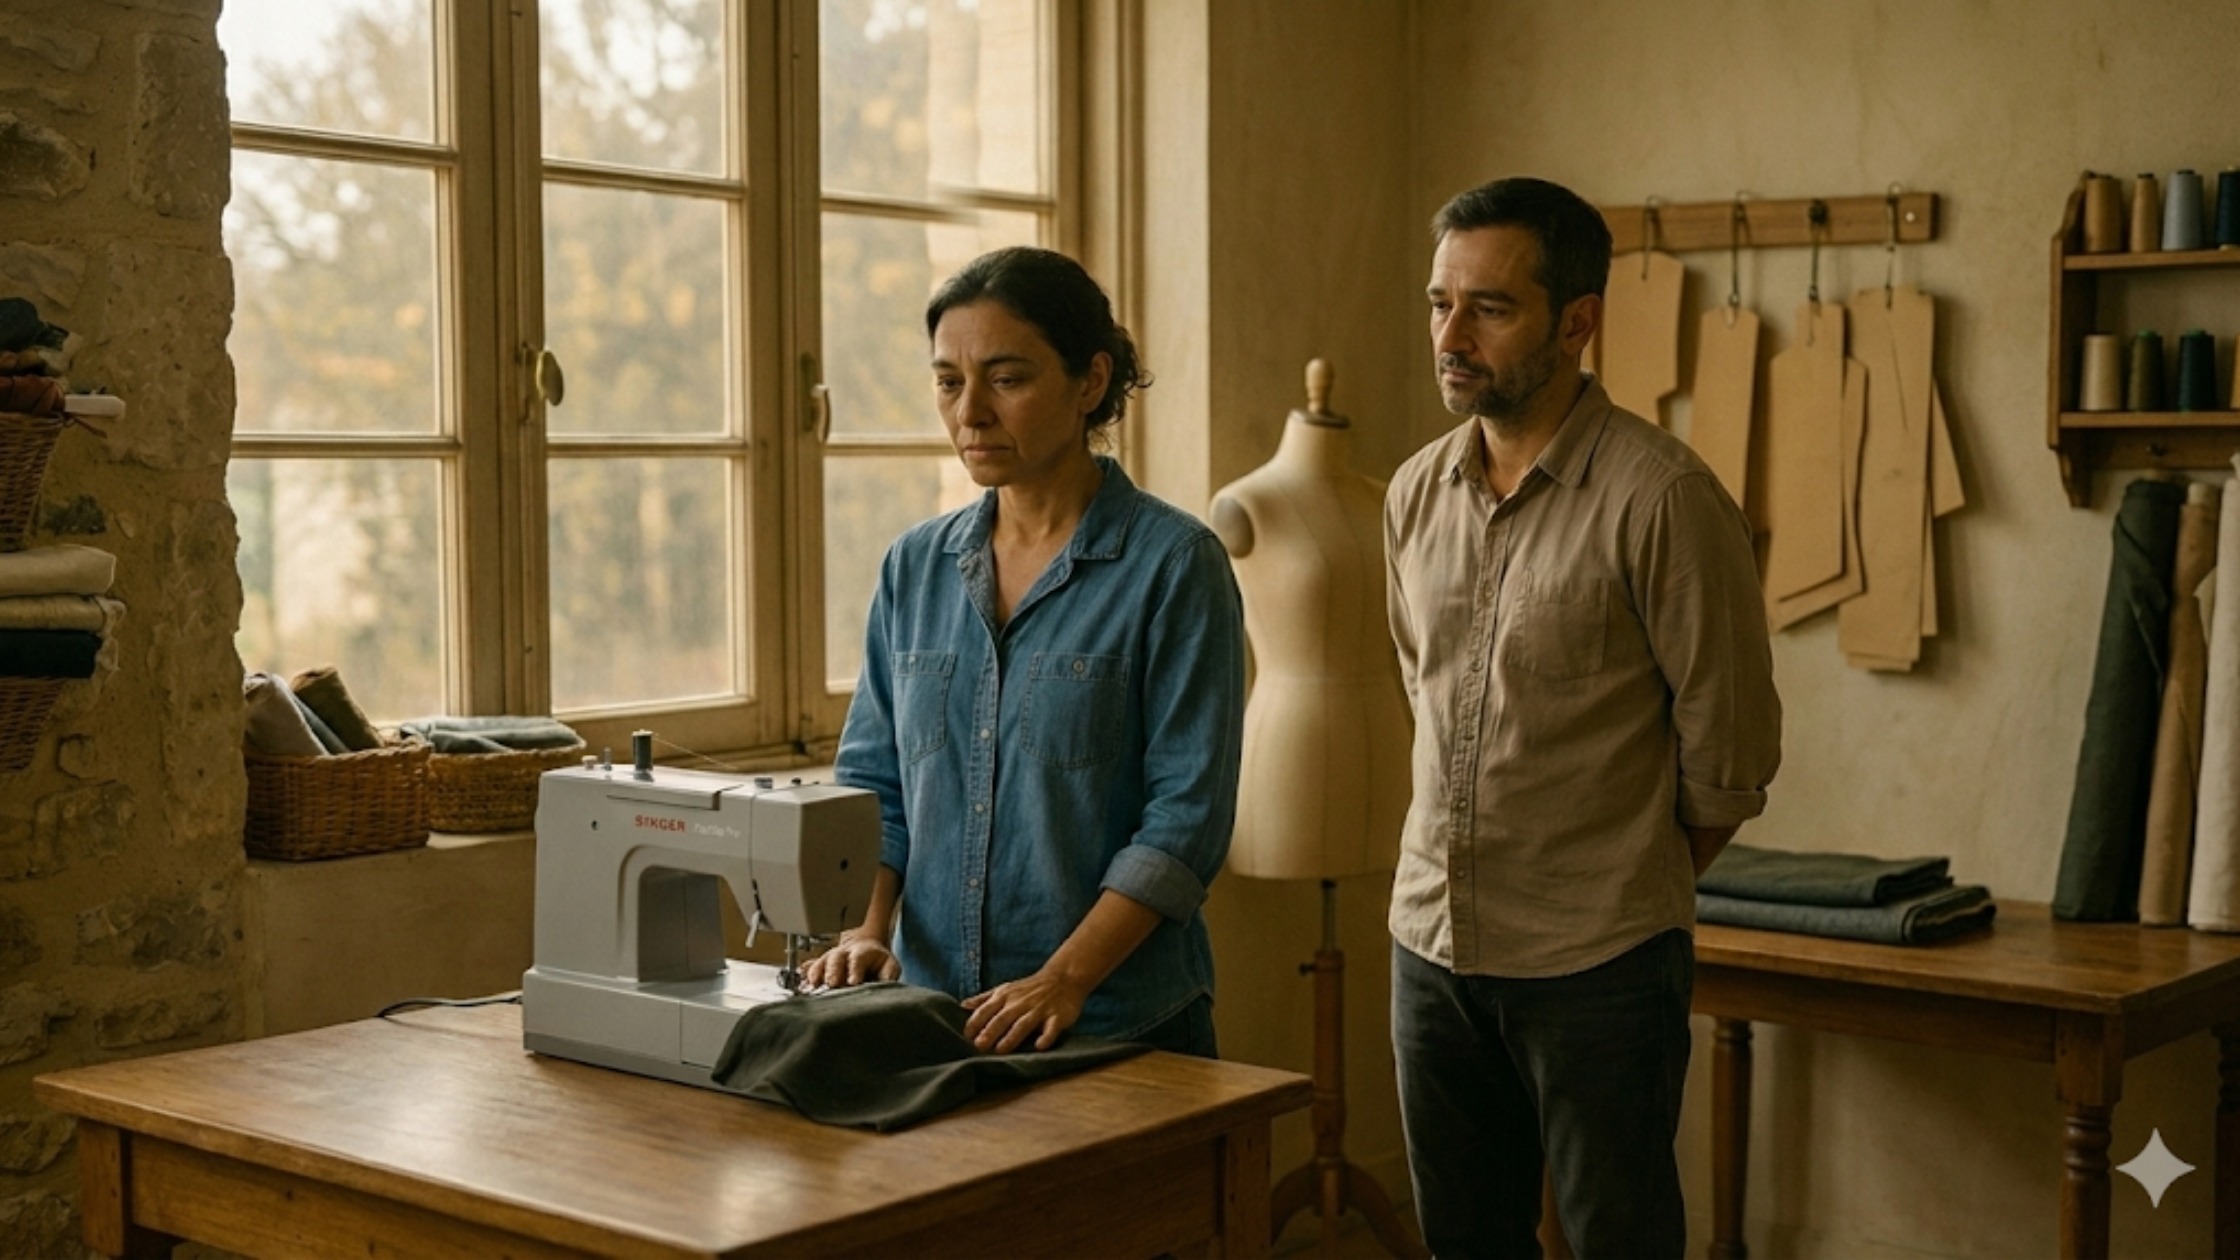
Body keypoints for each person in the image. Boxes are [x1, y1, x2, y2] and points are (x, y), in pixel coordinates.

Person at [1383, 177, 1782, 1258]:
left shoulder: (1663, 499)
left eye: (1487, 308)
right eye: (1436, 303)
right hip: (1429, 944)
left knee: (1619, 1241)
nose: (1449, 336)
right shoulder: (1412, 494)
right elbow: (1419, 684)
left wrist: (1611, 879)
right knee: (1464, 1240)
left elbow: (1730, 750)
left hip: (1598, 962)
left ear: (1576, 321)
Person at [803, 246, 1246, 1060]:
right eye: (947, 381)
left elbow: (1185, 820)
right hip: (938, 1020)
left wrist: (1065, 980)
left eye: (1005, 379)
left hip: (1120, 1028)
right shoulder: (915, 568)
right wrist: (866, 931)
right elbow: (874, 786)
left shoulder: (1175, 566)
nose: (970, 412)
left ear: (1090, 382)